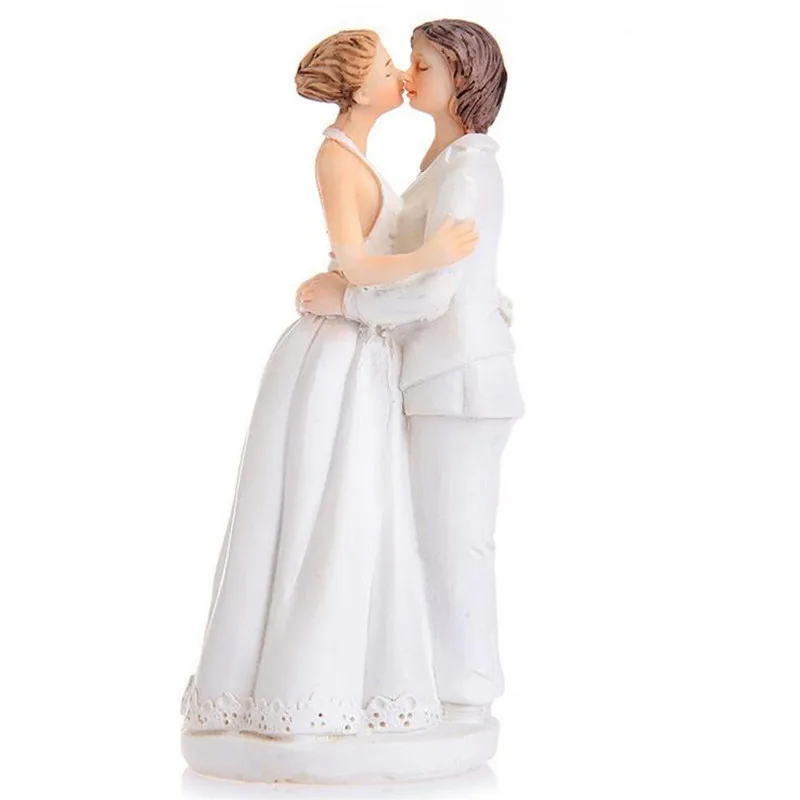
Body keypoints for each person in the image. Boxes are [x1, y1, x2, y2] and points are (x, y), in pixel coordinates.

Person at [181, 29, 477, 738]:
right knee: (331, 501)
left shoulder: (360, 156)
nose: (402, 76)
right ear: (358, 89)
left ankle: (343, 674)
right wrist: (430, 255)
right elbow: (354, 263)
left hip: (361, 347)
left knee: (358, 502)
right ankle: (303, 683)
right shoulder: (336, 157)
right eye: (387, 68)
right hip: (337, 351)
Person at [299, 19, 525, 727]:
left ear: (461, 79)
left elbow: (435, 291)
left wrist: (346, 301)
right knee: (433, 535)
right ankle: (438, 680)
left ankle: (467, 689)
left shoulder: (467, 170)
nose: (407, 74)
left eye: (422, 64)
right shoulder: (445, 165)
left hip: (458, 383)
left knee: (455, 538)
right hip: (440, 375)